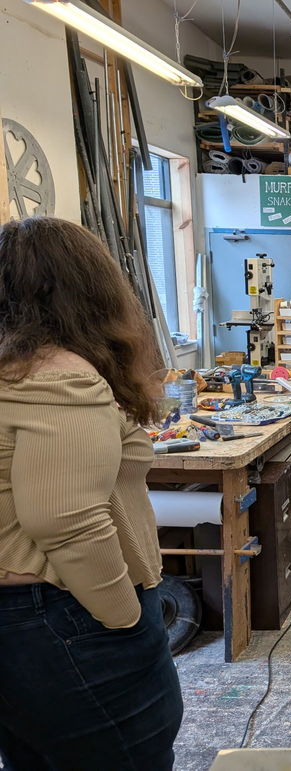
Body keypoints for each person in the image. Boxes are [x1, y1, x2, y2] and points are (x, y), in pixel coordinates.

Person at [0, 217, 183, 769]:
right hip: (62, 610)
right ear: (91, 287)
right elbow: (67, 520)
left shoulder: (11, 367)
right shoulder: (57, 376)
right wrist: (124, 618)